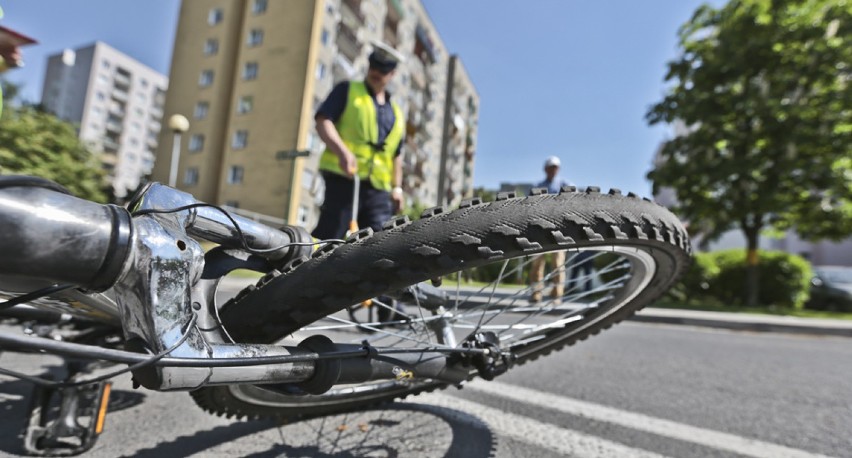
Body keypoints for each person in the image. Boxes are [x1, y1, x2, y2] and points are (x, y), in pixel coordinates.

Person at [313, 42, 406, 322]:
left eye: (384, 69)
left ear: (392, 74)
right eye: (374, 67)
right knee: (331, 233)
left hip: (378, 189)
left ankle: (389, 307)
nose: (377, 73)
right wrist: (342, 150)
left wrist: (397, 187)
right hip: (345, 178)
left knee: (384, 243)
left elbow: (396, 156)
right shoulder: (347, 91)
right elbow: (323, 121)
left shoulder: (397, 113)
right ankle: (302, 292)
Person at [529, 156, 573, 303]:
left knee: (558, 263)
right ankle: (536, 293)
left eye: (555, 167)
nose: (553, 170)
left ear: (558, 169)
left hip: (559, 231)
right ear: (545, 169)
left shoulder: (565, 185)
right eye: (550, 167)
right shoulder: (538, 187)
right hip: (540, 230)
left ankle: (557, 294)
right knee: (537, 263)